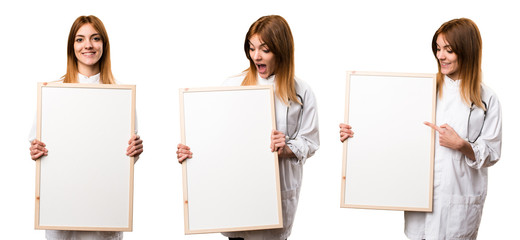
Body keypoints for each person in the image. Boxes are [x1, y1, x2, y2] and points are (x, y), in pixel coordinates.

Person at [340, 18, 502, 239]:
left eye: (449, 50)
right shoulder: (421, 89)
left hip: (459, 205)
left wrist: (462, 145)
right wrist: (357, 133)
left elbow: (492, 153)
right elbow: (390, 129)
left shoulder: (487, 99)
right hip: (419, 201)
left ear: (468, 51)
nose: (440, 56)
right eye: (438, 48)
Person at [177, 15, 319, 240]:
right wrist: (192, 153)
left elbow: (310, 142)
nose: (256, 56)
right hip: (238, 195)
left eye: (264, 49)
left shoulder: (301, 91)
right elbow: (216, 138)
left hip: (277, 197)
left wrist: (287, 148)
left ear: (281, 51)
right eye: (251, 48)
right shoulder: (232, 86)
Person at [28, 15, 143, 240]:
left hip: (104, 216)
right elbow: (36, 145)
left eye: (95, 38)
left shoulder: (121, 94)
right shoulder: (53, 92)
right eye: (80, 39)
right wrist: (35, 151)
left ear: (104, 45)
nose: (88, 45)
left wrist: (134, 152)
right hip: (62, 214)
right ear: (72, 47)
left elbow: (123, 157)